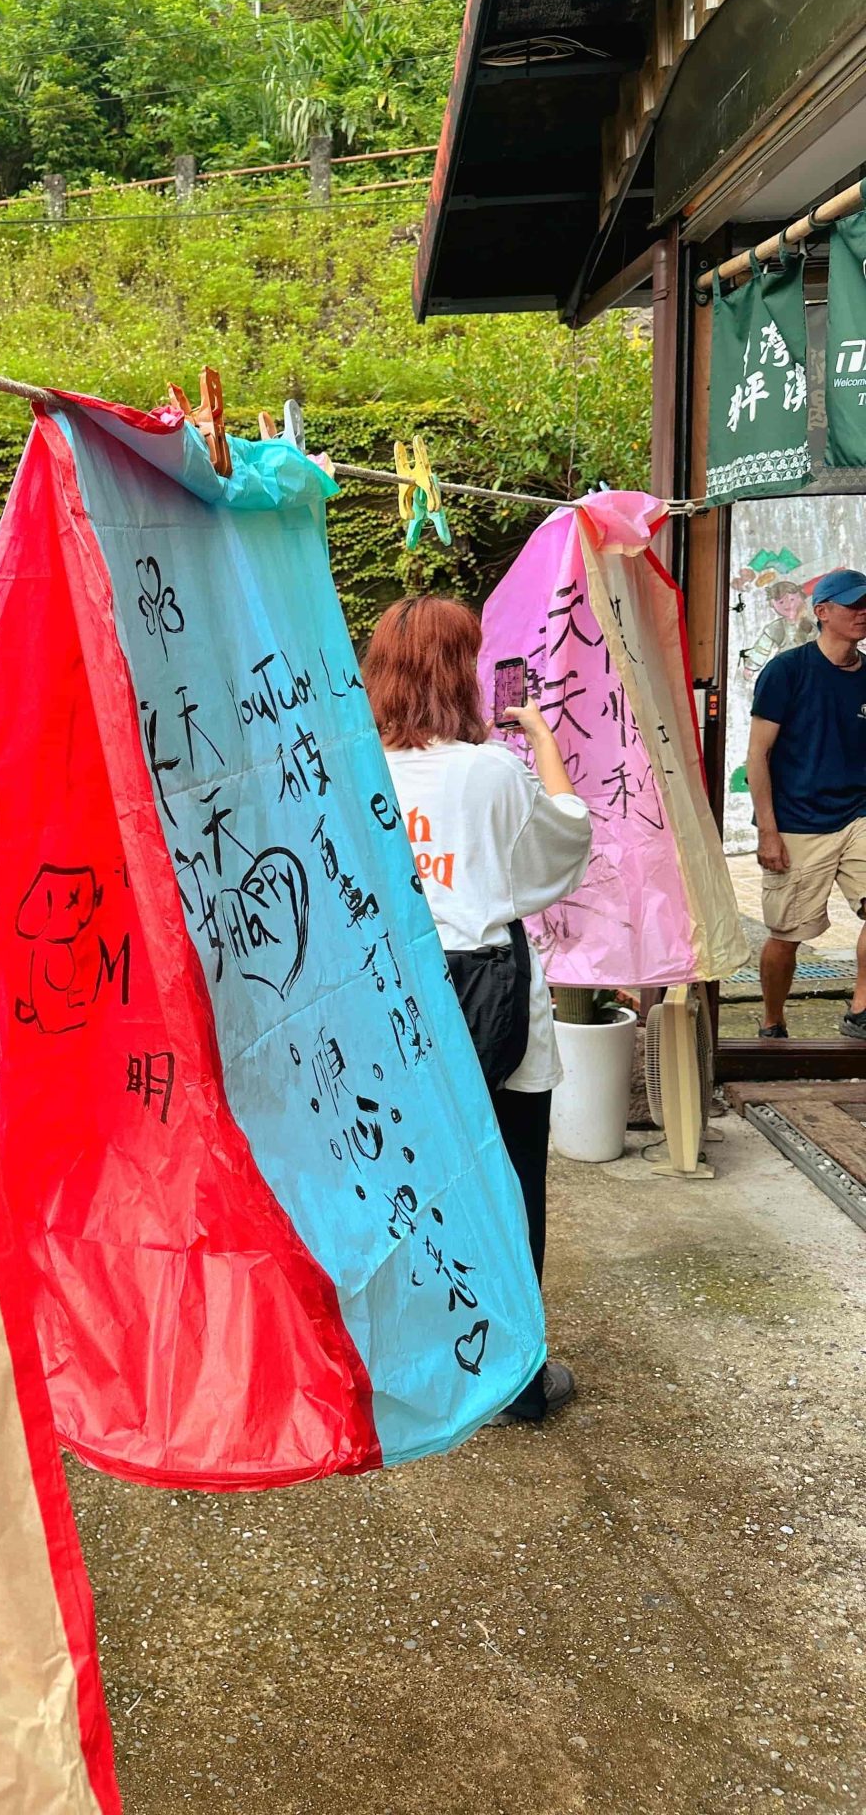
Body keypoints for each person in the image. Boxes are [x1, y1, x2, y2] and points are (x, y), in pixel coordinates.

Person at [362, 594, 592, 1425]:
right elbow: (565, 842)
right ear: (460, 673)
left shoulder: (355, 763)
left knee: (403, 1183)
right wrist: (539, 737)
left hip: (389, 999)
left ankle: (409, 1368)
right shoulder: (491, 770)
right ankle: (513, 1381)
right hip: (492, 997)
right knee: (510, 1184)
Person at [747, 567, 866, 1040]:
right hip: (797, 821)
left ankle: (860, 1010)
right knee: (786, 935)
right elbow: (758, 754)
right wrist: (767, 831)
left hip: (858, 812)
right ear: (822, 613)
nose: (862, 613)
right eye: (852, 605)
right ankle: (773, 1019)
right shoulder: (787, 670)